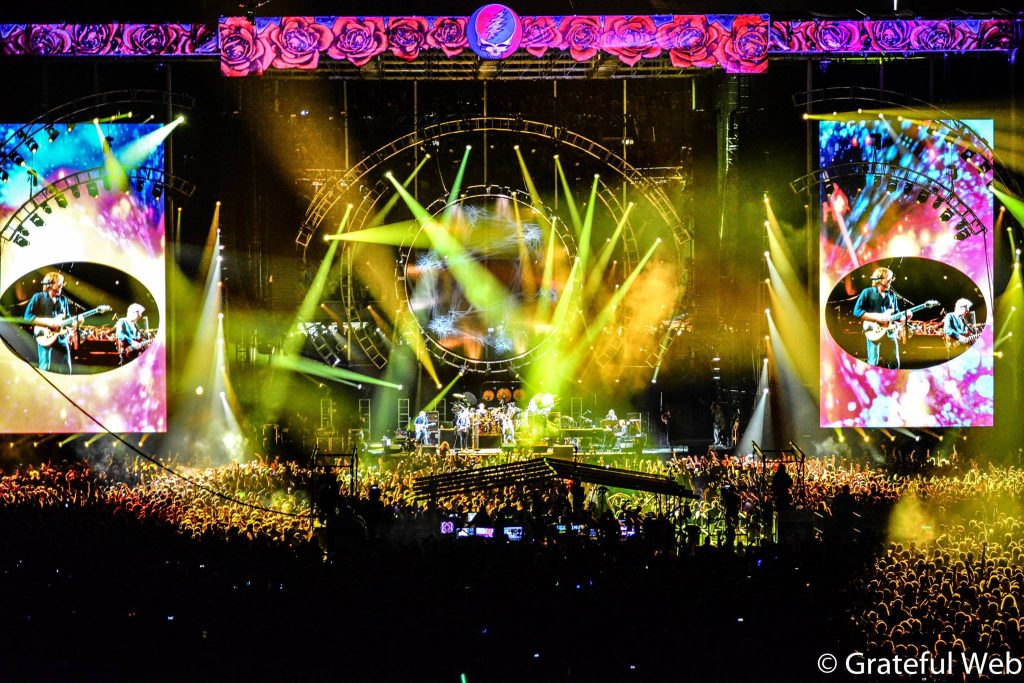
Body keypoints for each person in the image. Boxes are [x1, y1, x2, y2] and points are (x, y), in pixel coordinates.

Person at [853, 266, 911, 369]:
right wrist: (878, 318)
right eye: (889, 278)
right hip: (874, 331)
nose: (891, 280)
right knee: (873, 363)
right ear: (879, 279)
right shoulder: (867, 292)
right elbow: (857, 311)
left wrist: (904, 317)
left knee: (894, 363)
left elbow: (896, 314)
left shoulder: (892, 295)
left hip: (890, 332)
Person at [24, 272, 74, 373]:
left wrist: (72, 326)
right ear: (50, 284)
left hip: (61, 338)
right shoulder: (38, 297)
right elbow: (27, 317)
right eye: (60, 283)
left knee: (66, 369)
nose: (62, 285)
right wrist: (49, 323)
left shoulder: (63, 300)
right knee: (45, 368)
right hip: (45, 336)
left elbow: (68, 319)